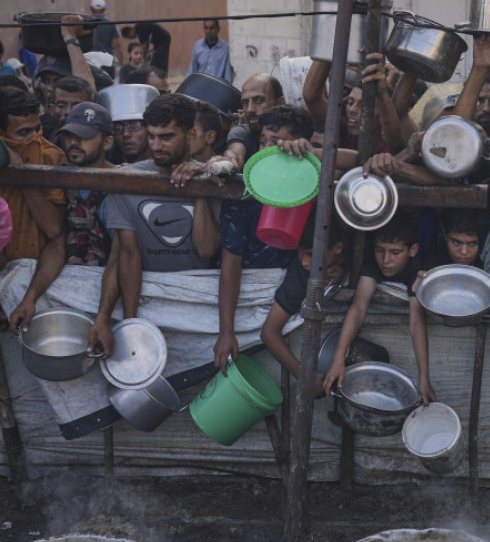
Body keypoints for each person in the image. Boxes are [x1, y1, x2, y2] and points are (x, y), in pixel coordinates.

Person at [86, 94, 221, 355]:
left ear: (191, 135)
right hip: (149, 303)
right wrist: (130, 324)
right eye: (151, 136)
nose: (156, 145)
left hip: (200, 307)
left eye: (166, 137)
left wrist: (200, 187)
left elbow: (207, 250)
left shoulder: (212, 178)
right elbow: (128, 255)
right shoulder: (127, 180)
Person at [212, 105, 311, 372]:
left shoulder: (313, 179)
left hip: (290, 290)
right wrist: (226, 332)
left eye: (276, 144)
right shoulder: (245, 189)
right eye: (262, 142)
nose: (265, 150)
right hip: (248, 290)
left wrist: (312, 153)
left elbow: (351, 160)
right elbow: (230, 263)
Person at [323, 213, 435, 404]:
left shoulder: (417, 270)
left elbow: (416, 322)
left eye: (395, 252)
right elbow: (358, 308)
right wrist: (338, 358)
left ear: (413, 250)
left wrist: (424, 376)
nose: (385, 260)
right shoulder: (372, 264)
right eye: (379, 250)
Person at [0, 88, 67, 332]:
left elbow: (54, 230)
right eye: (23, 132)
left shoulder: (51, 155)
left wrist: (20, 171)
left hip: (39, 272)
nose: (33, 138)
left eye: (36, 129)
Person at [260, 216, 346, 395]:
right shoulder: (300, 271)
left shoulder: (361, 251)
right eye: (301, 253)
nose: (305, 261)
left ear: (338, 248)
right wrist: (305, 377)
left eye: (311, 254)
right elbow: (269, 332)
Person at [58, 102, 114, 267]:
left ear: (107, 142)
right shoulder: (60, 178)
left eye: (84, 135)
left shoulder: (122, 181)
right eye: (68, 135)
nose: (73, 142)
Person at [207, 74, 284, 171]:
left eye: (259, 100)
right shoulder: (242, 133)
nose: (250, 109)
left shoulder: (297, 133)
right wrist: (227, 161)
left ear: (280, 103)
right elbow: (235, 155)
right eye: (245, 103)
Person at [423, 210, 490, 269]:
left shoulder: (486, 268)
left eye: (472, 244)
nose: (464, 252)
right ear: (445, 235)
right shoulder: (432, 266)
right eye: (456, 242)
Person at [41, 75, 95, 146]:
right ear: (52, 109)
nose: (68, 111)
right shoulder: (42, 140)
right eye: (61, 105)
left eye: (77, 106)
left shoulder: (103, 144)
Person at [187, 19, 233, 83]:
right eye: (206, 28)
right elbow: (192, 70)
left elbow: (228, 73)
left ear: (218, 29)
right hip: (200, 85)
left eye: (212, 28)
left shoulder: (225, 48)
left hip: (217, 87)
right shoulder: (198, 46)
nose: (208, 31)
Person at [89, 0, 122, 65]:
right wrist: (120, 66)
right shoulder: (111, 24)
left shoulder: (83, 23)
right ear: (104, 9)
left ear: (91, 8)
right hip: (106, 61)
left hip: (89, 61)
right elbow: (116, 45)